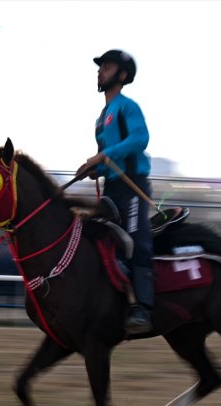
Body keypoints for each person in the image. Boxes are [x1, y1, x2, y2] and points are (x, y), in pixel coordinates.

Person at [78, 49, 154, 335]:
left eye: (107, 67)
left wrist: (104, 156)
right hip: (112, 187)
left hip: (133, 185)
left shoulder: (127, 106)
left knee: (137, 241)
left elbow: (140, 138)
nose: (100, 71)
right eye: (101, 67)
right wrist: (94, 169)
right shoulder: (101, 118)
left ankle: (143, 308)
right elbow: (107, 159)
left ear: (121, 75)